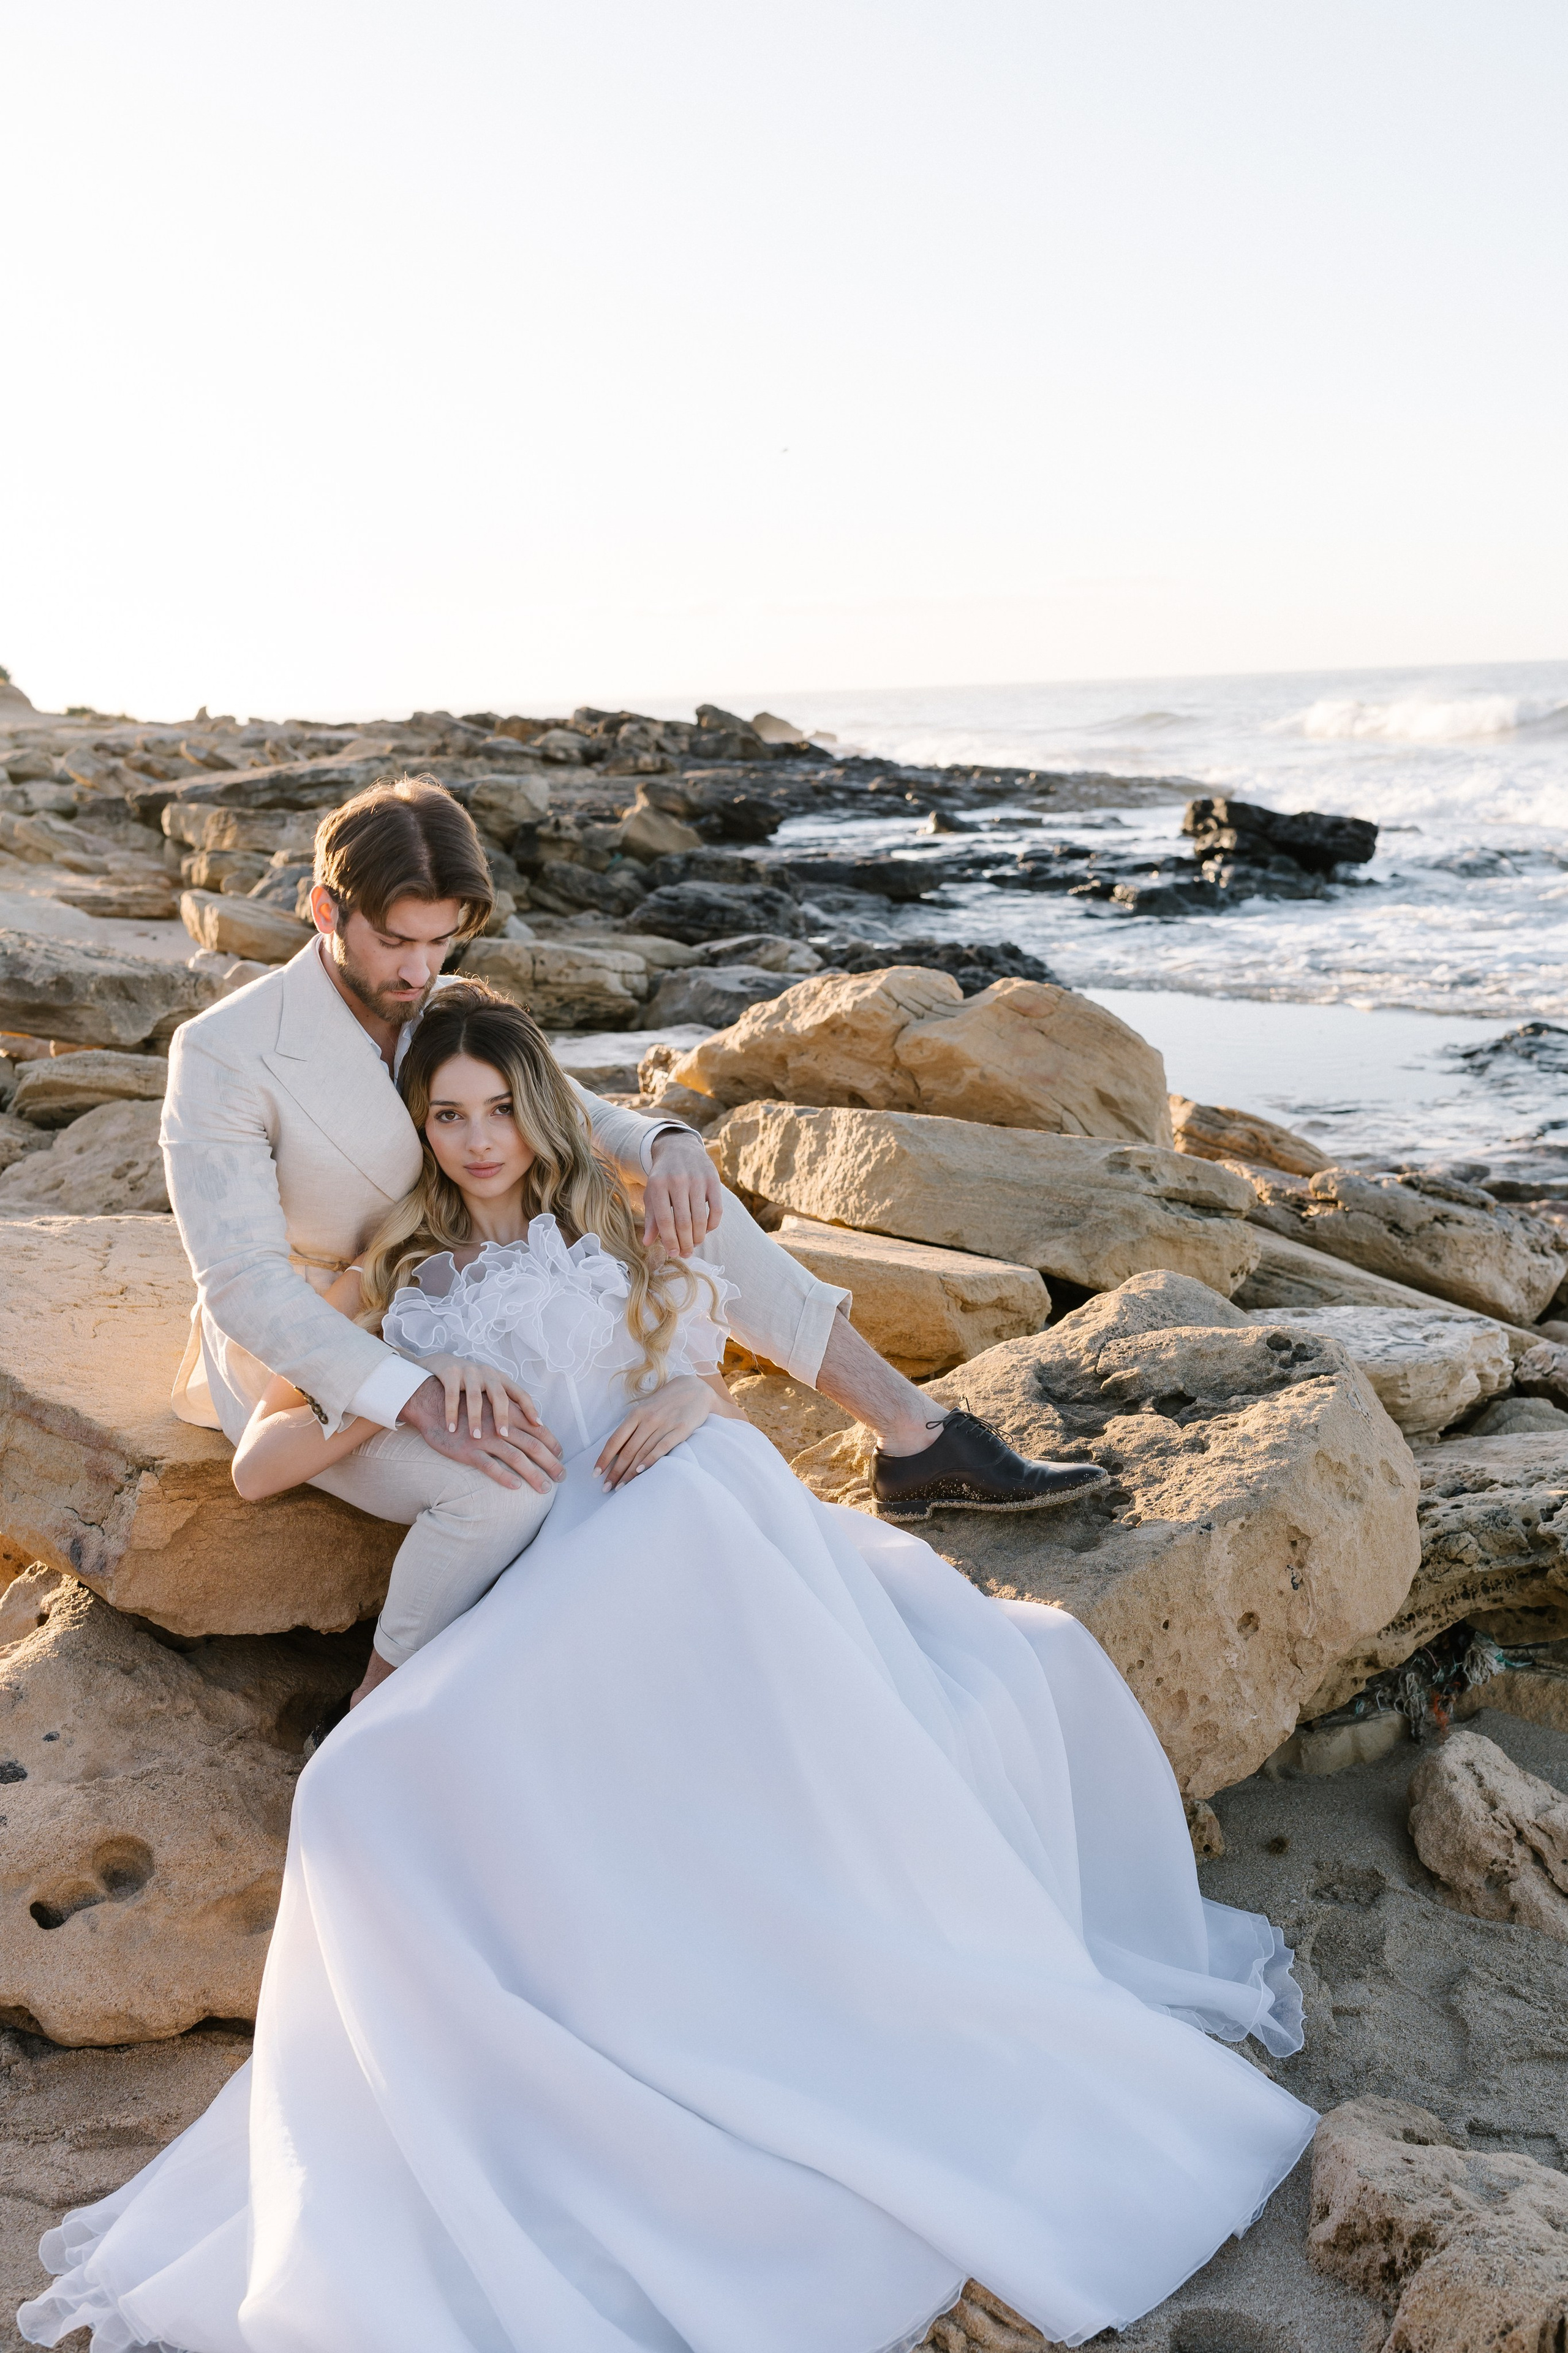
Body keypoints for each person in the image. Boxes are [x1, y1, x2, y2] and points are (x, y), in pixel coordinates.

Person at [20, 989, 1315, 2353]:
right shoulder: (393, 1275)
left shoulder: (613, 1217)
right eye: (446, 1116)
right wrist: (393, 1395)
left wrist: (695, 1391)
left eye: (499, 1109)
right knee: (360, 1793)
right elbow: (261, 1459)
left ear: (542, 1113)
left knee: (755, 1693)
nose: (477, 1139)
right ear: (420, 1130)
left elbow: (695, 1350)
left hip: (691, 1499)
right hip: (560, 1560)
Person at [158, 773, 1106, 1697]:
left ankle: (913, 1432)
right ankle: (386, 1701)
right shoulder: (226, 1051)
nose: (418, 970)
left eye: (442, 942)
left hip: (479, 1262)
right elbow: (243, 1282)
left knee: (683, 1195)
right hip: (340, 1332)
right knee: (511, 1485)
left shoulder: (431, 1003)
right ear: (324, 909)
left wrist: (667, 1141)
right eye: (396, 940)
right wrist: (410, 1390)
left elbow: (556, 1103)